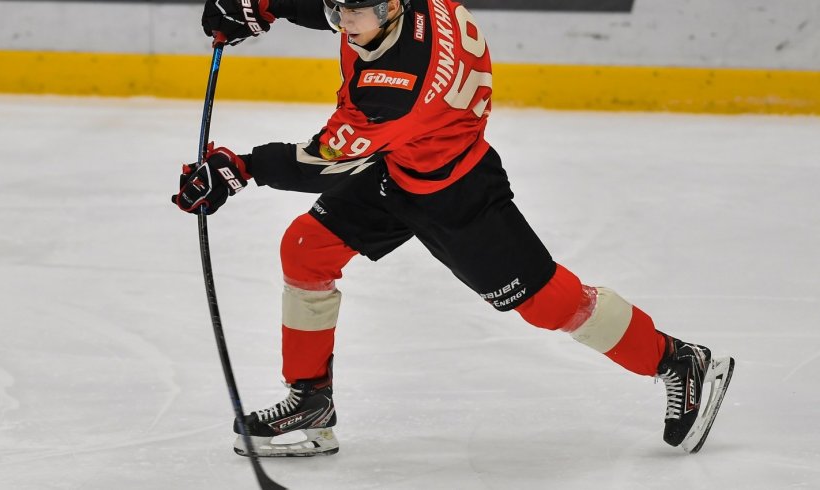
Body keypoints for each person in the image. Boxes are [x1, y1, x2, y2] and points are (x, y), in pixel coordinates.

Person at [173, 0, 735, 458]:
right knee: (306, 247)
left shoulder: (397, 85)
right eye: (338, 8)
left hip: (455, 191)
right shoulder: (390, 12)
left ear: (392, 9)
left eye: (355, 13)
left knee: (547, 304)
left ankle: (676, 359)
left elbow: (323, 161)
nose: (344, 22)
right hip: (399, 163)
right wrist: (259, 6)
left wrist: (238, 168)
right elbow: (338, 10)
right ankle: (310, 402)